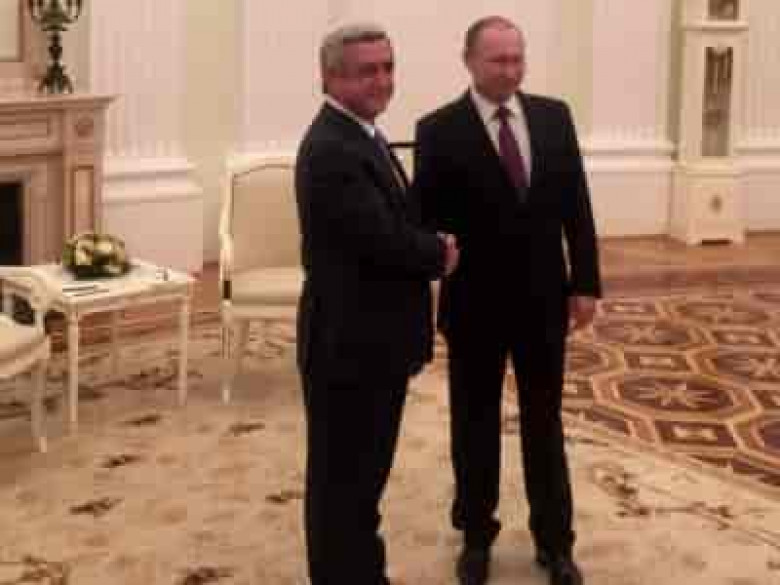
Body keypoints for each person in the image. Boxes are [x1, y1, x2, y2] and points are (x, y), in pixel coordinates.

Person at [412, 15, 601, 585]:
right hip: (474, 305)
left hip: (543, 301)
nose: (510, 71)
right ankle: (476, 536)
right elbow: (425, 219)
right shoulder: (437, 130)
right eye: (498, 60)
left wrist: (586, 282)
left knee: (545, 423)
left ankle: (556, 542)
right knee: (474, 424)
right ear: (469, 61)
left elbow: (576, 205)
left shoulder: (554, 117)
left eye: (517, 59)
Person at [295, 22, 459, 585]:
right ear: (330, 77)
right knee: (343, 486)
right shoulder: (333, 148)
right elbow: (381, 239)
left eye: (388, 67)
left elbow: (394, 218)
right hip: (349, 348)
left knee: (361, 483)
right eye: (367, 70)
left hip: (370, 344)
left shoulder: (362, 134)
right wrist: (439, 252)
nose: (382, 80)